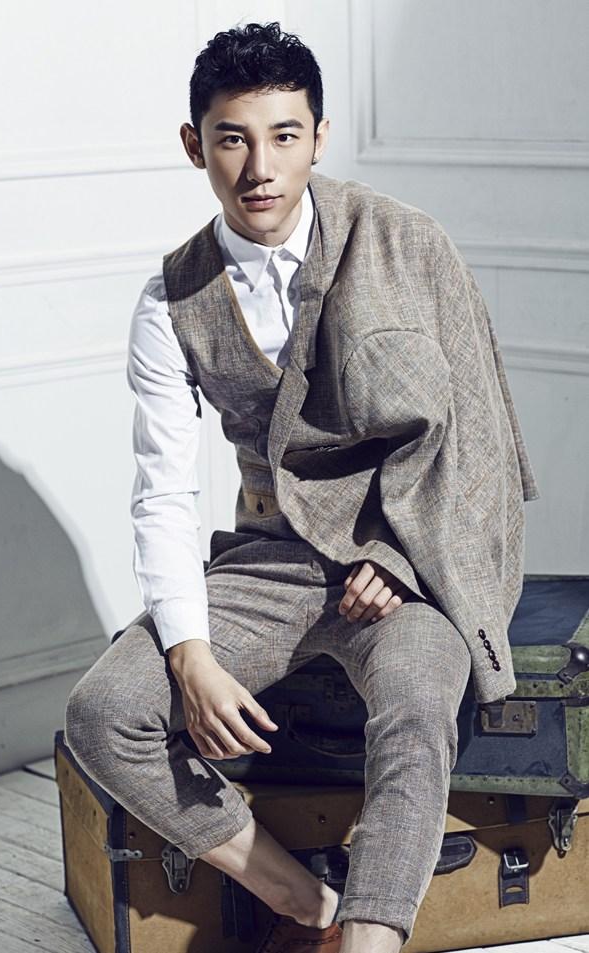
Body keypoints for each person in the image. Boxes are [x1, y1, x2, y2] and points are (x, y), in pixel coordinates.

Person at [64, 21, 539, 953]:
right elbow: (162, 493)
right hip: (270, 560)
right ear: (194, 145)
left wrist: (401, 557)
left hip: (409, 562)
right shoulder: (170, 301)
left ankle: (370, 939)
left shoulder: (410, 244)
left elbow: (479, 438)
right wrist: (189, 654)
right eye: (232, 139)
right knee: (103, 712)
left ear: (319, 136)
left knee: (416, 704)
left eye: (284, 135)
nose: (260, 168)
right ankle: (304, 902)